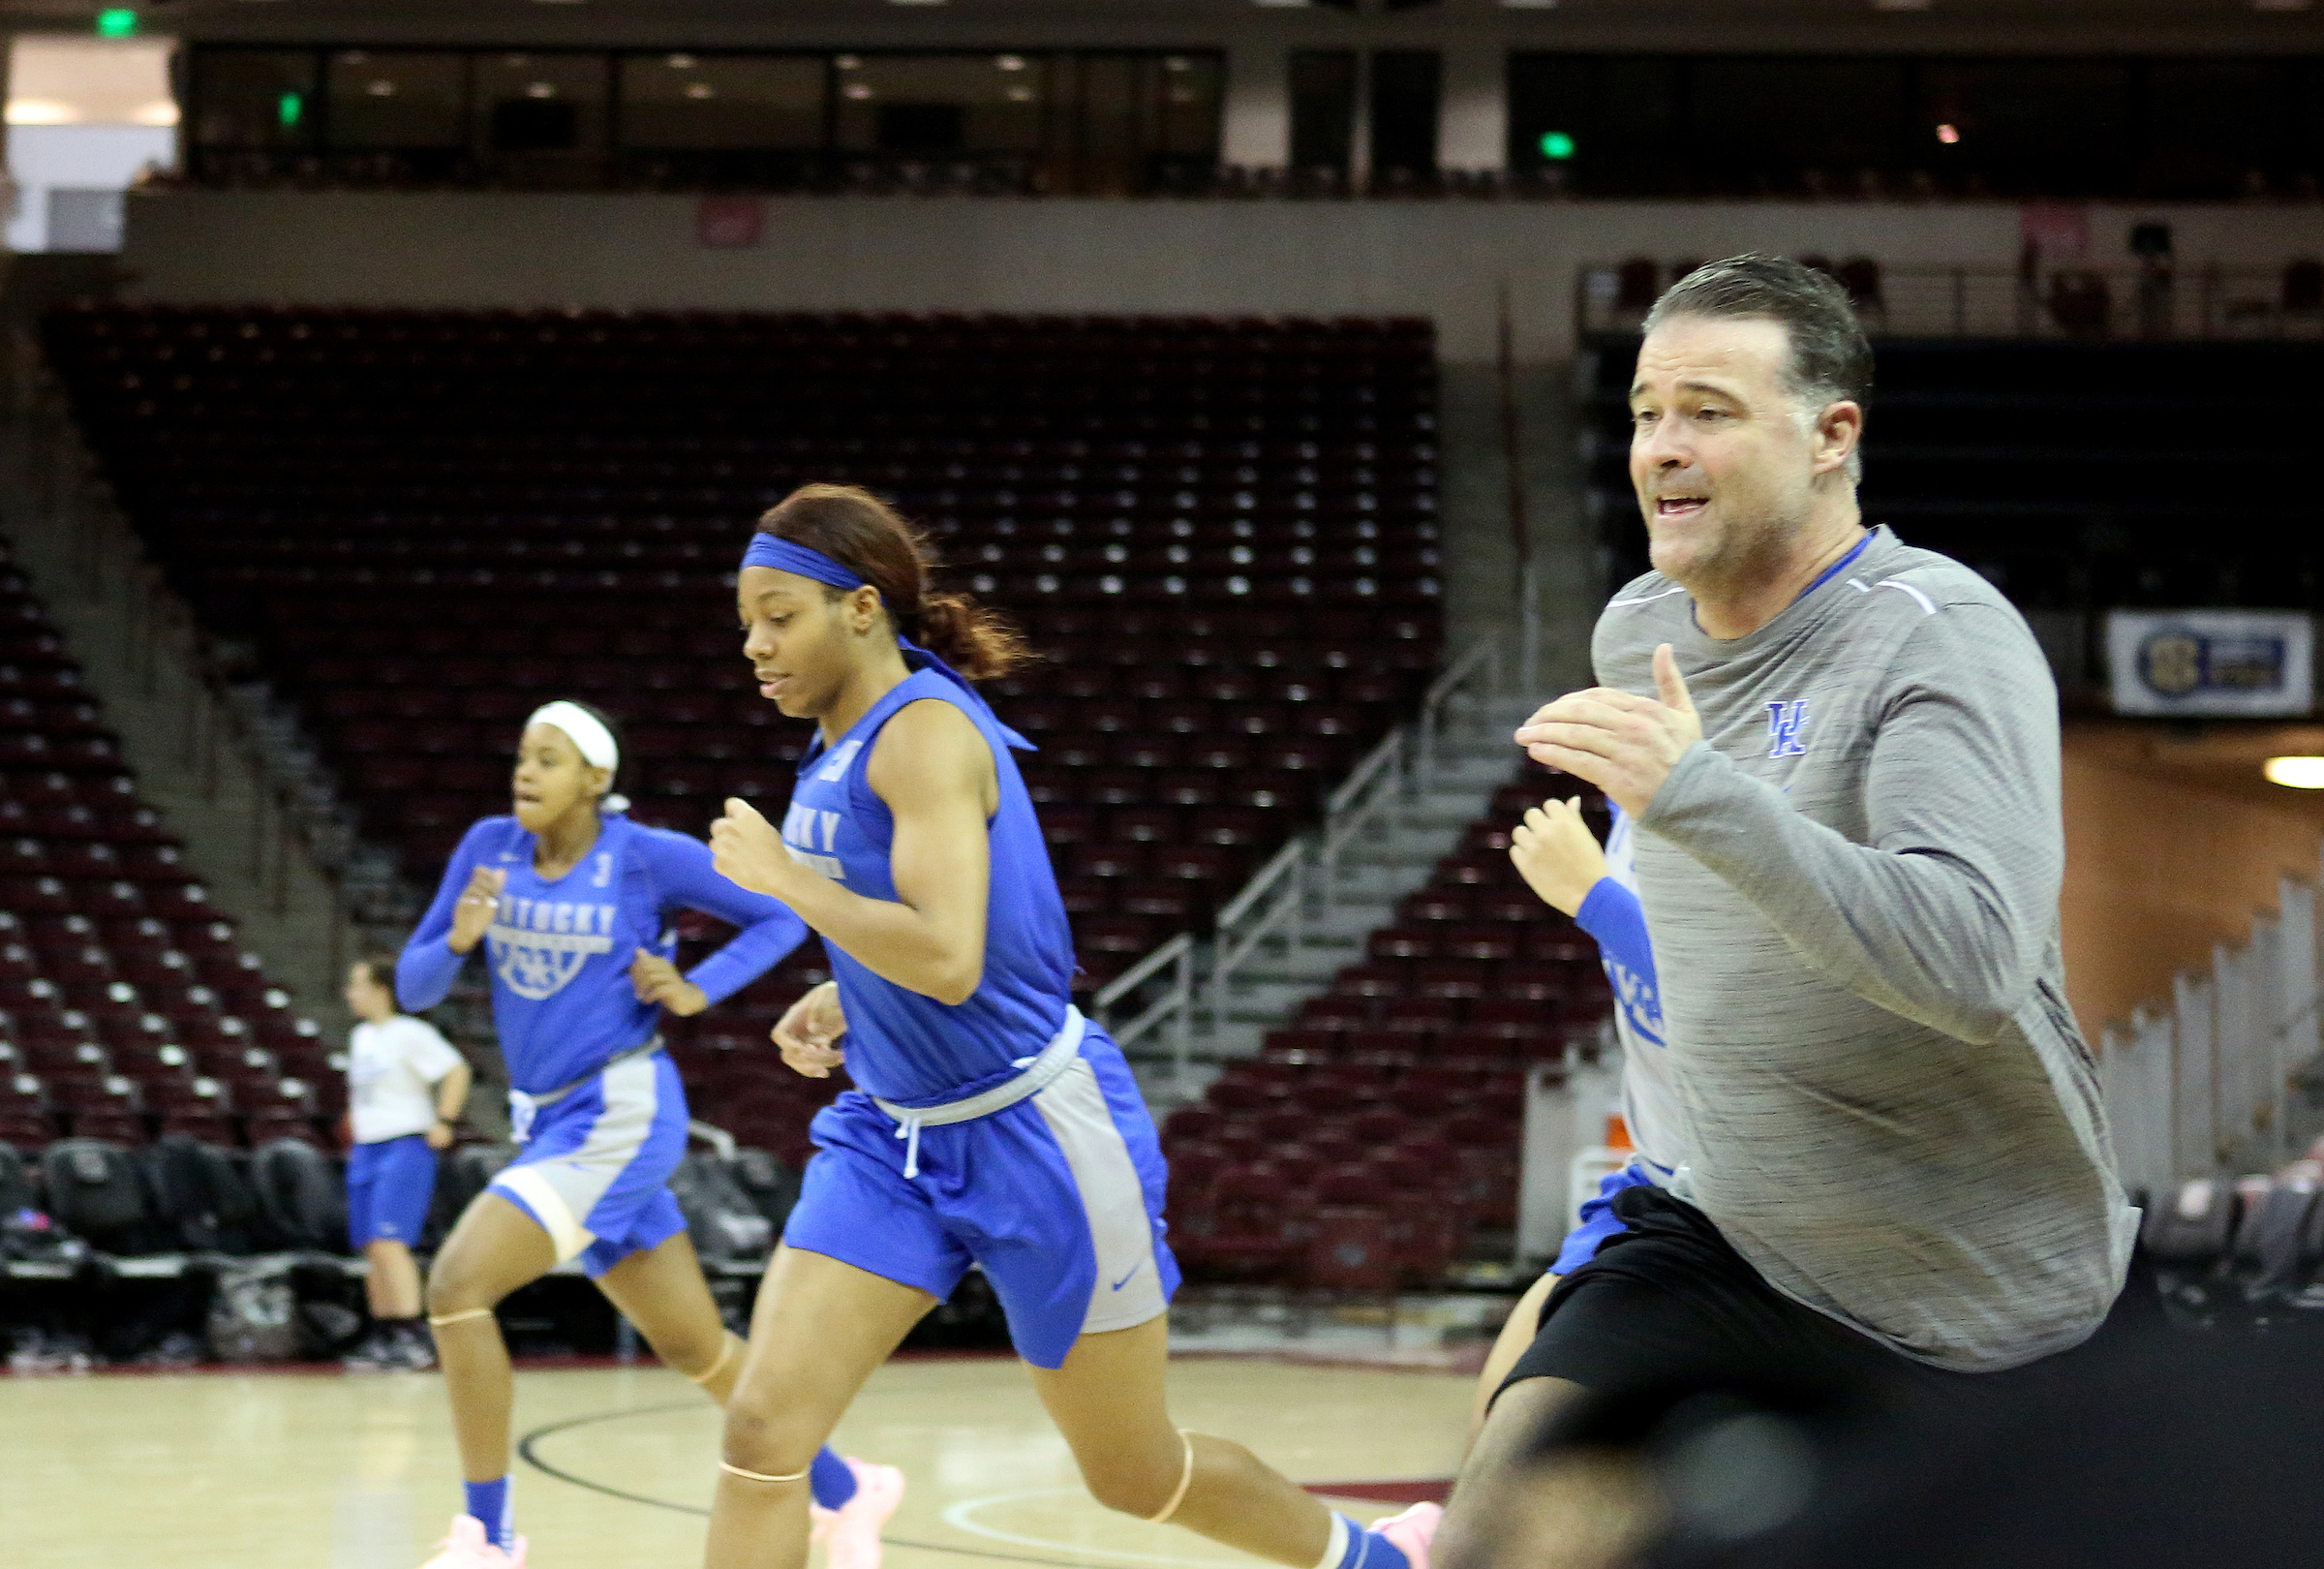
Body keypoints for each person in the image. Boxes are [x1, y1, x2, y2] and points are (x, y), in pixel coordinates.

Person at [1440, 256, 2136, 1569]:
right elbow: (1710, 927)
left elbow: (1973, 960)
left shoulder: (1938, 635)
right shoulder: (1643, 627)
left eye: (1708, 409)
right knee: (1500, 1529)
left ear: (1830, 436)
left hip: (1972, 1288)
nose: (1661, 446)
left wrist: (1698, 795)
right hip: (1725, 1233)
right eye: (1646, 410)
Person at [695, 483, 1442, 1569]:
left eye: (779, 615)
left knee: (1134, 1473)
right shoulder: (834, 741)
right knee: (765, 1431)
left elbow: (948, 960)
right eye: (747, 624)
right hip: (893, 1138)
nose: (756, 646)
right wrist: (847, 991)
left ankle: (1379, 1561)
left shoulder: (922, 735)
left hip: (1033, 1135)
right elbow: (929, 935)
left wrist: (785, 884)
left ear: (861, 609)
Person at [397, 698, 900, 1569]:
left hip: (619, 1113)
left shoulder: (642, 857)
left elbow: (782, 915)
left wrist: (699, 988)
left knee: (456, 1287)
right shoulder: (489, 847)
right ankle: (849, 1490)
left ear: (597, 779)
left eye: (549, 759)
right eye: (521, 754)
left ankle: (490, 1534)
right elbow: (413, 985)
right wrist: (459, 941)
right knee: (697, 1350)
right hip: (550, 1121)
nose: (526, 771)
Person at [1468, 797, 1671, 1431]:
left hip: (1776, 1206)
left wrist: (1596, 900)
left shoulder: (1758, 803)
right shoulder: (1622, 802)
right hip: (1661, 1178)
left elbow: (1743, 1016)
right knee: (1494, 1437)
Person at [341, 950, 473, 1372]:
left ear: (381, 990)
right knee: (370, 1247)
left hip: (404, 1145)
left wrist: (445, 1120)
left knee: (389, 1241)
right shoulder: (360, 1037)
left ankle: (412, 1335)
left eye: (357, 984)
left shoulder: (409, 1032)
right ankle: (382, 1334)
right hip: (367, 1145)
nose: (349, 994)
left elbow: (457, 1070)